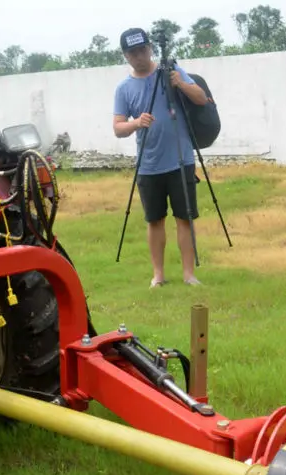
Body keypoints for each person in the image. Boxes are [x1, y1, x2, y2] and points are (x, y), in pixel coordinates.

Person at [113, 27, 209, 288]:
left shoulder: (170, 71)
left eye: (143, 49)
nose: (139, 56)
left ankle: (189, 274)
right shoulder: (123, 89)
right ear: (126, 56)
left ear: (150, 48)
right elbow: (118, 128)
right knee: (154, 220)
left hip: (181, 160)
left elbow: (202, 99)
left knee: (185, 218)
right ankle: (158, 275)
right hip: (148, 165)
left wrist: (181, 84)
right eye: (133, 52)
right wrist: (136, 123)